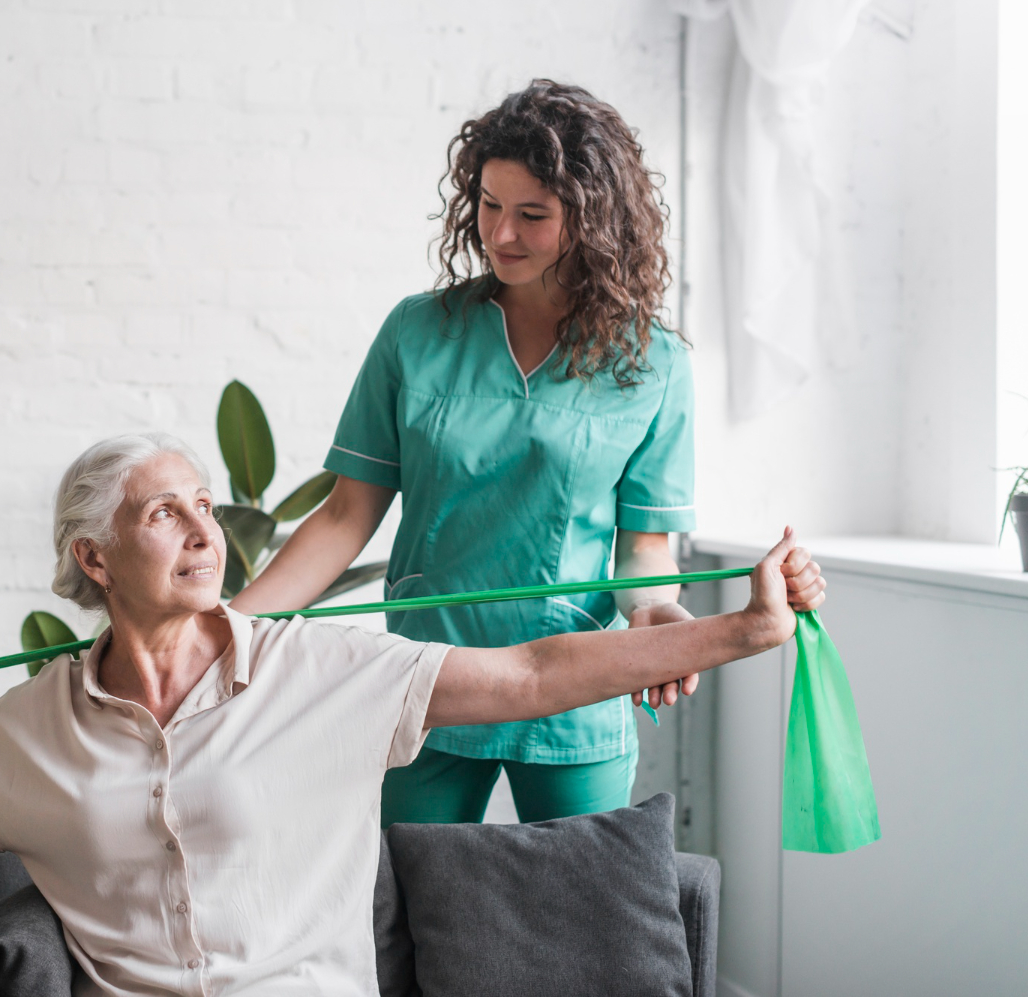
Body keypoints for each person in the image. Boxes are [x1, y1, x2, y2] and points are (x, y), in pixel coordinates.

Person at [0, 434, 824, 997]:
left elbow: (527, 675)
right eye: (161, 511)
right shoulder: (31, 729)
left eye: (203, 502)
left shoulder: (311, 669)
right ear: (93, 557)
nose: (200, 526)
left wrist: (740, 627)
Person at [231, 79, 801, 826]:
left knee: (581, 910)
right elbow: (345, 516)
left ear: (595, 221)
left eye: (532, 214)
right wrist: (225, 628)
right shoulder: (416, 333)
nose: (500, 233)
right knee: (410, 911)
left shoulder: (653, 364)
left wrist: (655, 609)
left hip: (574, 691)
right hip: (429, 683)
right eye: (490, 205)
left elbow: (644, 548)